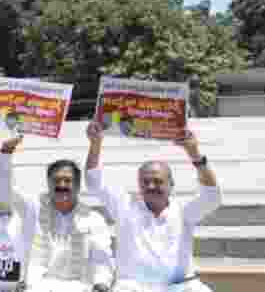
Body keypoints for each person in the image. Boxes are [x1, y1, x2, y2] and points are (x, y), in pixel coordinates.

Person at [85, 120, 220, 291]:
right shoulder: (125, 206)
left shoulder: (183, 211)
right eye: (145, 182)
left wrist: (194, 153)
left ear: (171, 184)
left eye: (157, 181)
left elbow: (212, 196)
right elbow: (93, 182)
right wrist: (95, 143)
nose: (151, 186)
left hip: (178, 288)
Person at [0, 135, 113, 292]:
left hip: (79, 287)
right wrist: (6, 152)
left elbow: (102, 257)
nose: (61, 185)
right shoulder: (33, 208)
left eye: (67, 180)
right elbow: (5, 190)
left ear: (78, 186)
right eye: (56, 180)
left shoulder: (93, 218)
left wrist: (102, 283)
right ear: (48, 183)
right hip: (36, 286)